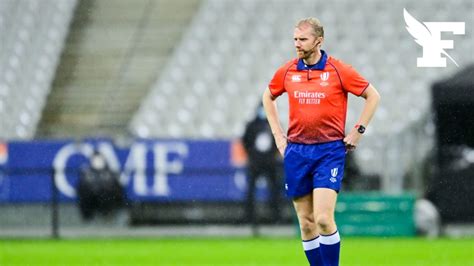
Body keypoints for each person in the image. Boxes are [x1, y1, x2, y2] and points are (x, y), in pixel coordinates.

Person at [262, 18, 380, 266]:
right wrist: (278, 136)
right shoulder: (288, 71)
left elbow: (372, 95)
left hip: (329, 152)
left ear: (319, 41)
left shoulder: (338, 71)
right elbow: (268, 96)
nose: (297, 44)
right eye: (295, 39)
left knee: (324, 219)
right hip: (296, 151)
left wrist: (358, 130)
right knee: (306, 224)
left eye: (302, 39)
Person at [242, 103, 281, 233]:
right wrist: (252, 154)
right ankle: (250, 217)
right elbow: (245, 141)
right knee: (251, 190)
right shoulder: (252, 125)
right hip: (255, 162)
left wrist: (272, 154)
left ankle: (275, 217)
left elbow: (279, 140)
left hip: (269, 162)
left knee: (274, 189)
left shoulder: (273, 124)